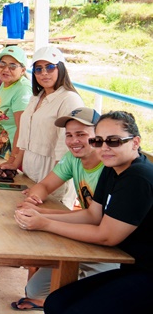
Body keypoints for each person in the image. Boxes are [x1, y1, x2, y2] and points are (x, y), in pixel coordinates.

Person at [16, 111, 153, 314]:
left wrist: (45, 224)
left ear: (135, 142)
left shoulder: (137, 177)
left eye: (114, 141)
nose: (104, 148)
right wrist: (40, 214)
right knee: (55, 303)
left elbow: (107, 236)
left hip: (144, 269)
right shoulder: (112, 167)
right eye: (99, 141)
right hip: (128, 262)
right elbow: (92, 215)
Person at [11, 107, 116, 311]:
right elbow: (45, 185)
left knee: (79, 301)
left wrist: (44, 217)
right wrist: (34, 199)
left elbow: (96, 219)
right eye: (69, 135)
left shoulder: (110, 166)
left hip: (113, 246)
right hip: (85, 237)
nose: (74, 141)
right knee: (35, 290)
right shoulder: (72, 158)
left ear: (98, 135)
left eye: (81, 134)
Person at [0, 46, 83, 205]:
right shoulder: (37, 97)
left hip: (54, 173)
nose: (44, 73)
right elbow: (25, 136)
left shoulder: (69, 100)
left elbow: (66, 149)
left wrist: (48, 185)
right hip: (30, 171)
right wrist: (14, 164)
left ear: (61, 69)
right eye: (38, 69)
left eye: (50, 67)